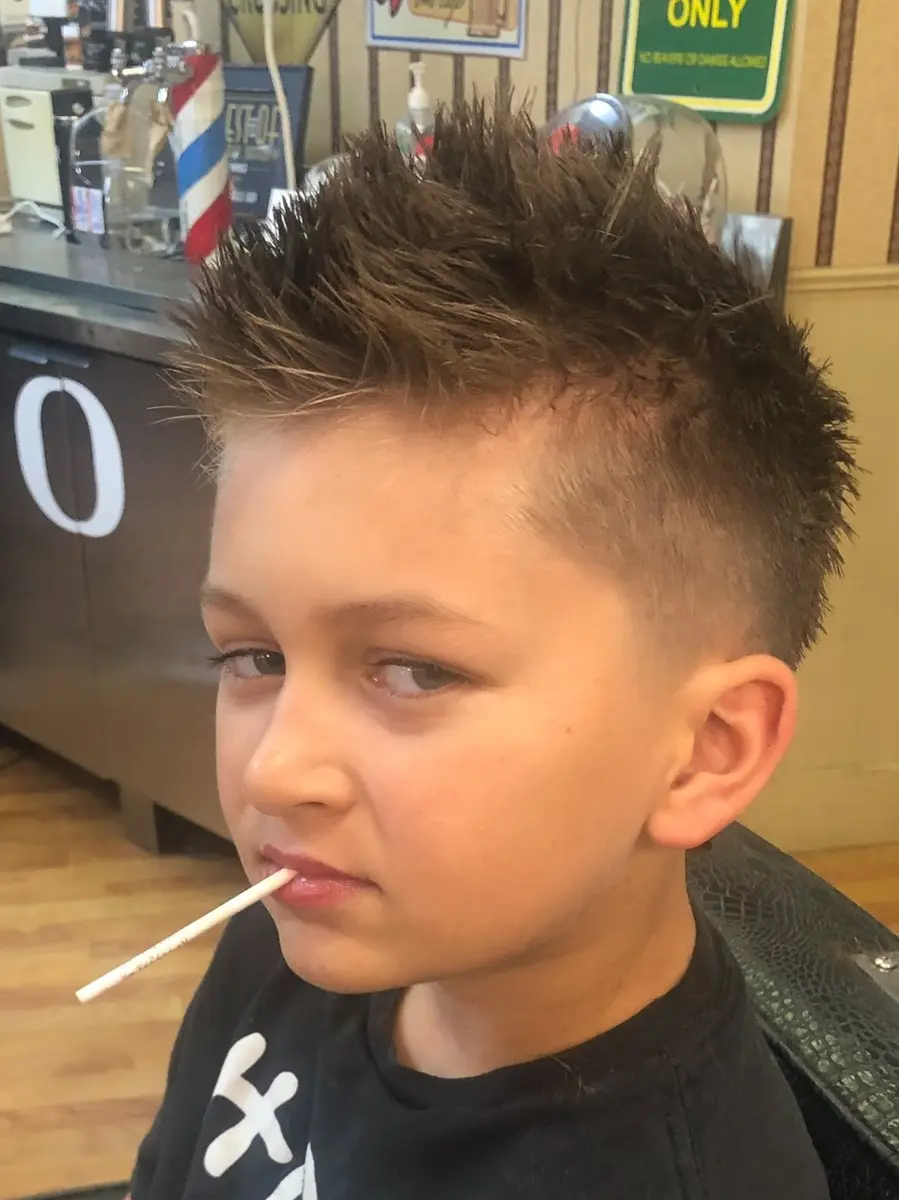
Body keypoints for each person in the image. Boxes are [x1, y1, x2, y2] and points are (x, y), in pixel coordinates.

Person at [129, 96, 856, 1199]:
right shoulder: (298, 927)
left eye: (415, 671)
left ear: (706, 750)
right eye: (253, 658)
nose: (273, 774)